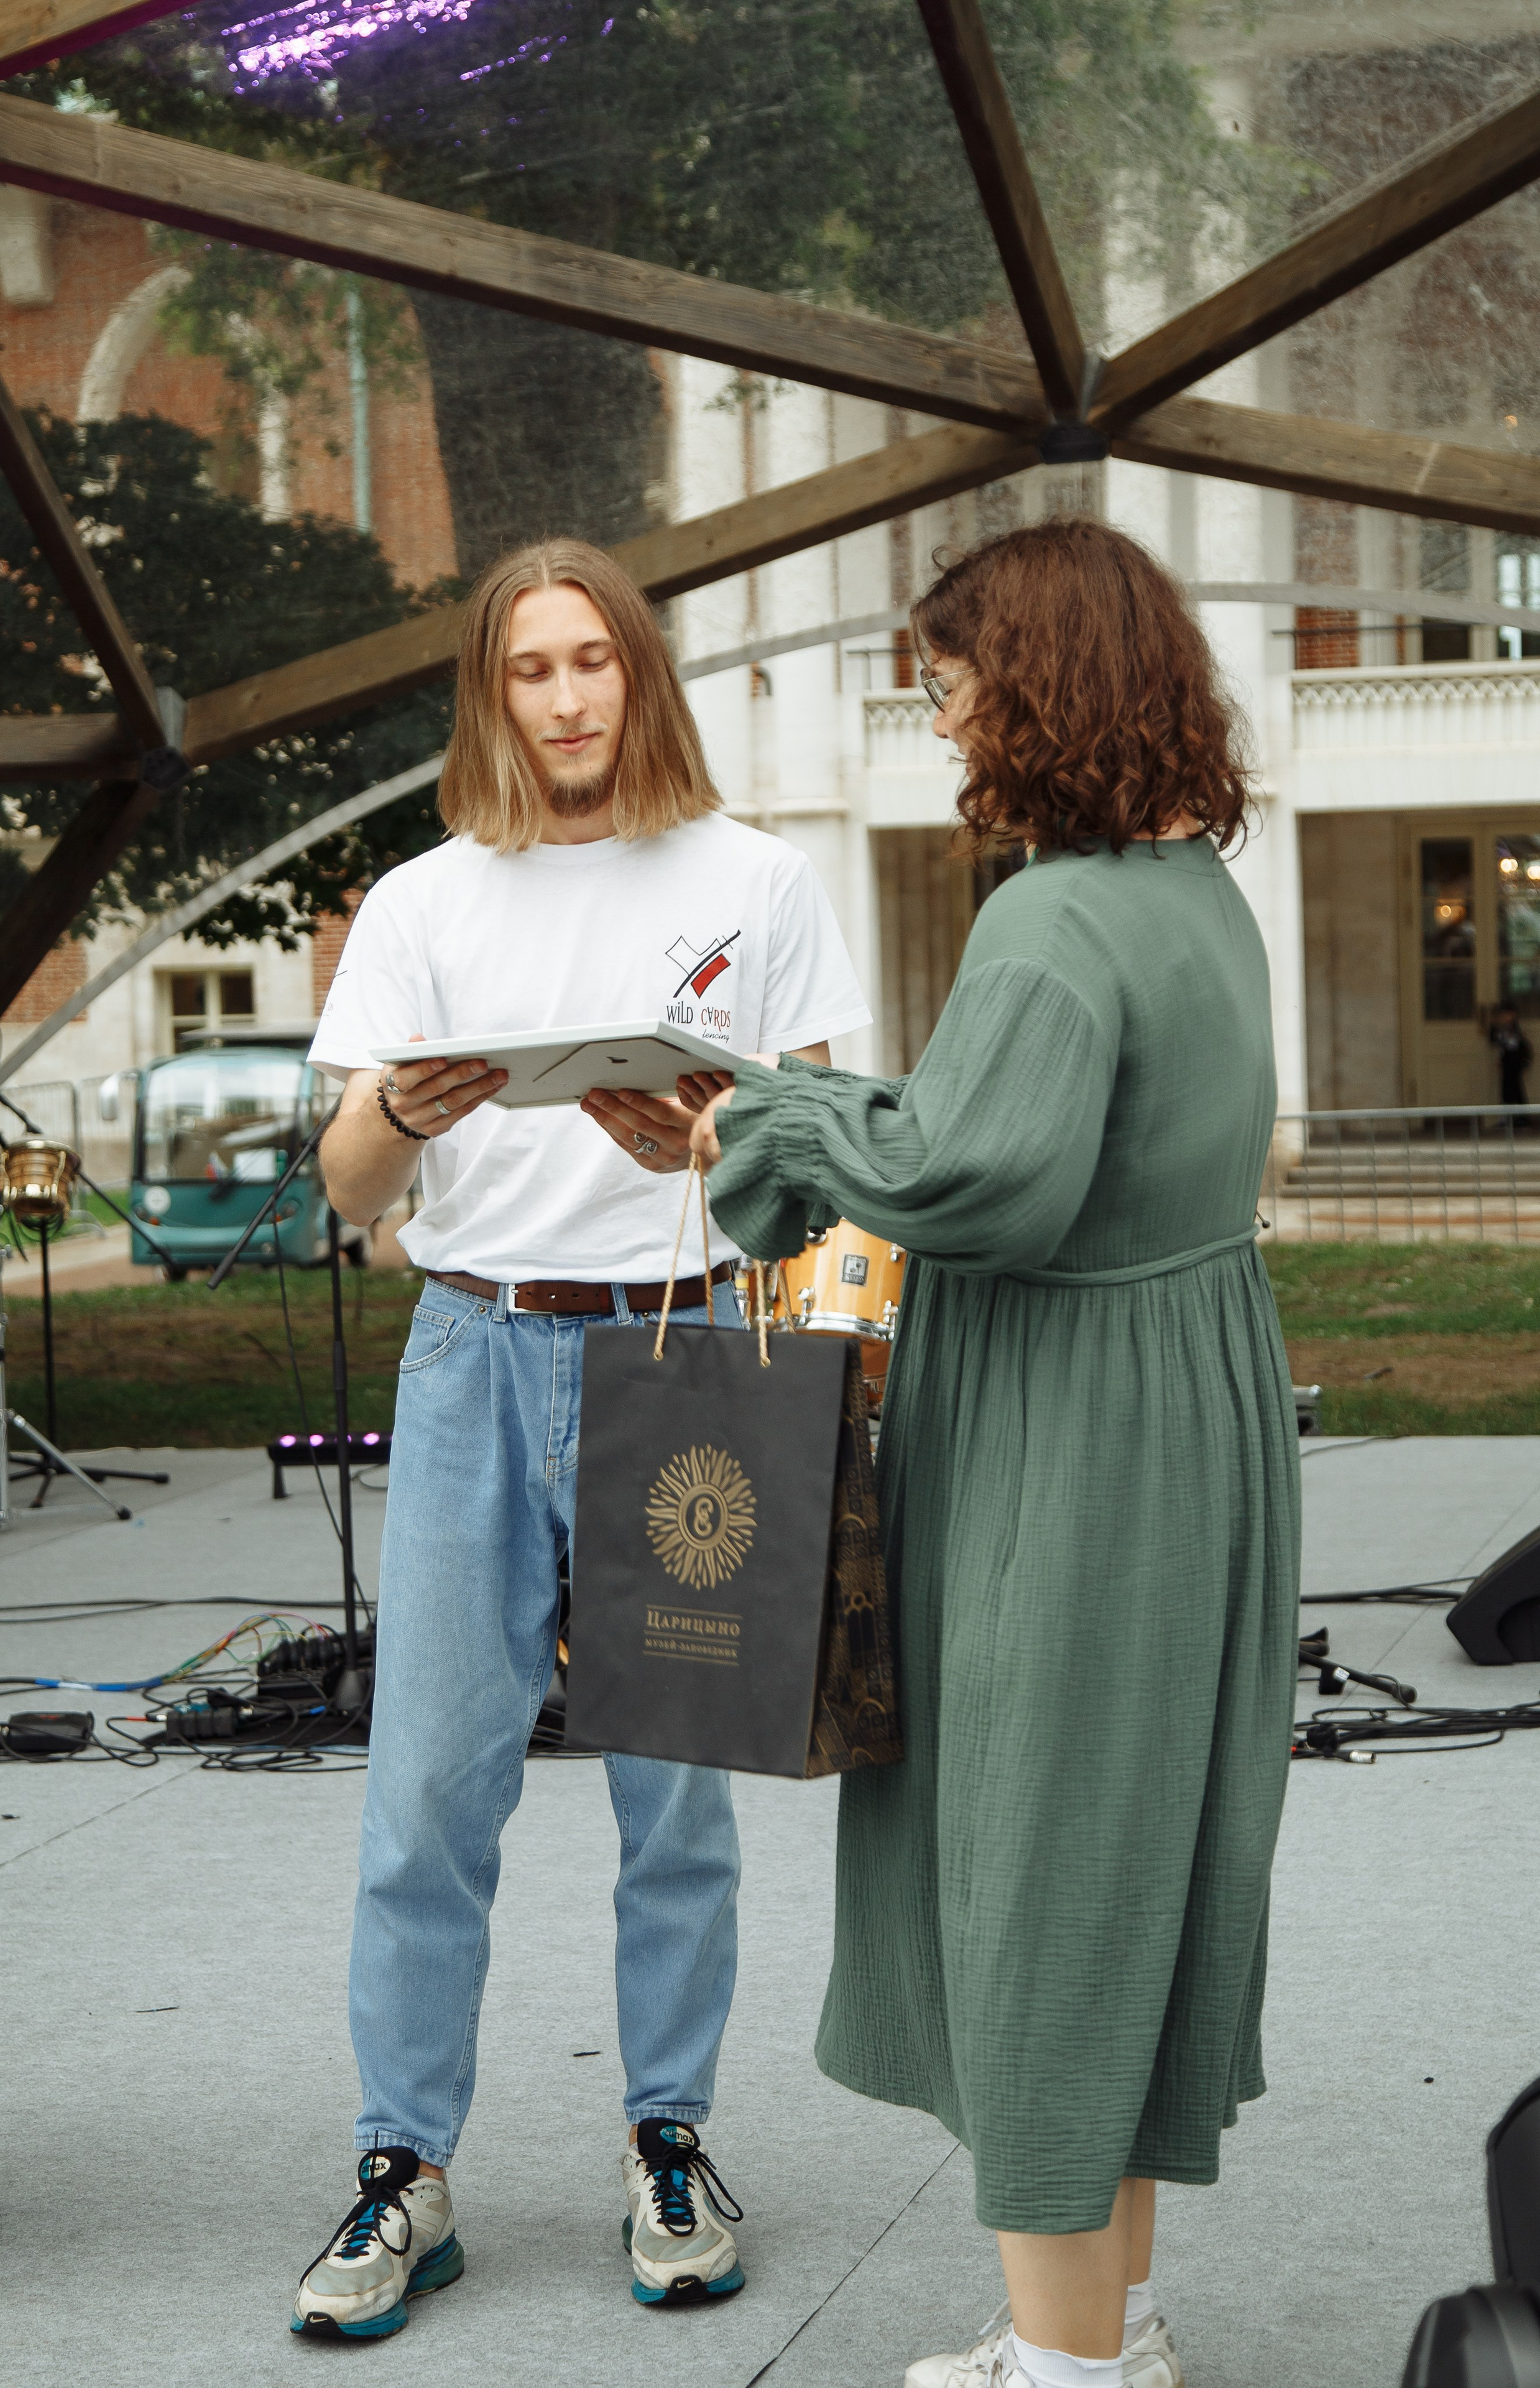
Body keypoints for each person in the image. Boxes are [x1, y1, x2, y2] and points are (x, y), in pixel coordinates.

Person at [678, 521, 1301, 2388]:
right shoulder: (1190, 888)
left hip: (1067, 1429)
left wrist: (766, 1115)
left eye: (952, 675)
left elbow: (976, 1181)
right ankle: (1095, 2321)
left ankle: (1064, 2371)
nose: (937, 710)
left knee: (1038, 1870)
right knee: (1128, 1860)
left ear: (1030, 678)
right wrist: (832, 1113)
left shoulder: (1045, 915)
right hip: (1182, 1401)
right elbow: (1013, 1132)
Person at [294, 536, 870, 2341]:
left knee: (674, 1801)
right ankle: (404, 2172)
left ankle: (671, 2145)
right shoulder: (422, 903)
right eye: (532, 668)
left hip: (683, 1356)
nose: (565, 698)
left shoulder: (757, 882)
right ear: (494, 691)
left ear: (640, 675)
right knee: (425, 1802)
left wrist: (710, 1138)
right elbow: (347, 1183)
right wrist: (398, 1103)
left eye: (592, 663)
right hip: (476, 1346)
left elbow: (829, 1149)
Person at [1489, 1001, 1533, 1107]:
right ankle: (1508, 1116)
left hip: (1514, 1062)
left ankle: (1521, 1117)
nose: (1503, 1017)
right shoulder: (1502, 1028)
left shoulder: (1513, 1029)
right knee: (1507, 1090)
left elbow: (1513, 1044)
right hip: (1507, 1063)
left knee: (1515, 1089)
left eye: (1506, 1014)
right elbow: (1494, 1040)